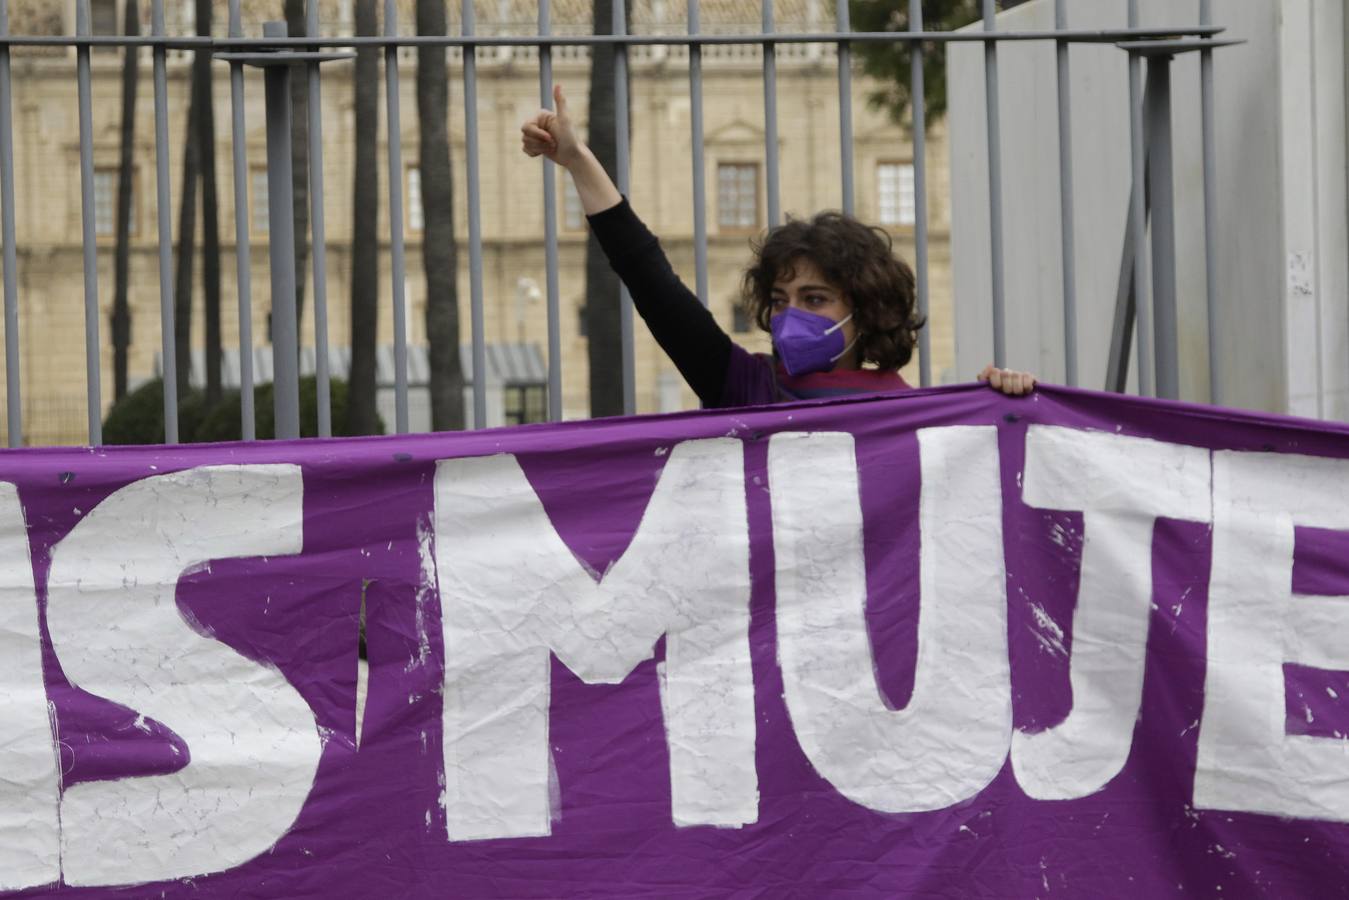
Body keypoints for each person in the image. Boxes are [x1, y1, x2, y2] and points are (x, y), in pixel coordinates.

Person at [520, 85, 1035, 409]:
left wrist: (1014, 403)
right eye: (781, 300)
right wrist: (578, 162)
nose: (791, 317)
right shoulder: (749, 387)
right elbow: (649, 279)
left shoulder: (916, 416)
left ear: (866, 309)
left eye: (814, 299)